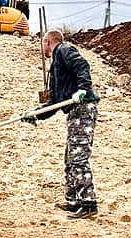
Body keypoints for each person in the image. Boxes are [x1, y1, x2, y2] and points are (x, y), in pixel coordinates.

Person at [21, 30, 101, 219]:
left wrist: (83, 89)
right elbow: (54, 102)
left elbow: (82, 65)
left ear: (48, 41)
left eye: (42, 43)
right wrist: (36, 115)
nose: (42, 47)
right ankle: (74, 201)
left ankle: (88, 204)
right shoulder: (55, 66)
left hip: (83, 108)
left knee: (78, 157)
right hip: (73, 112)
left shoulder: (64, 50)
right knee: (70, 158)